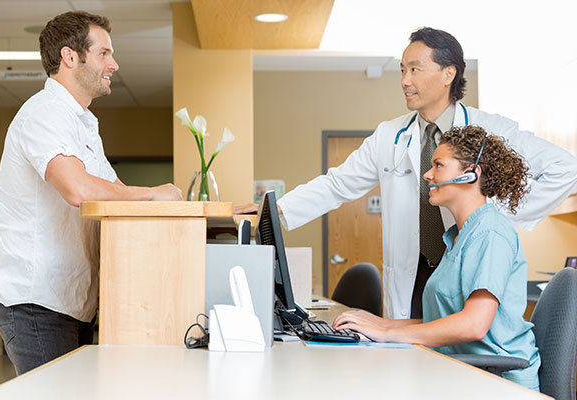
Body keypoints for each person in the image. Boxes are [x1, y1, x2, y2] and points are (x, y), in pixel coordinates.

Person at [236, 27, 577, 320]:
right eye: (402, 70)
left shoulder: (489, 130)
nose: (404, 81)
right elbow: (338, 183)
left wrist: (495, 217)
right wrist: (275, 210)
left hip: (470, 272)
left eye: (415, 69)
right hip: (414, 278)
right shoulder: (390, 136)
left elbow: (566, 168)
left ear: (449, 73)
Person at [0, 11, 183, 375]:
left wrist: (176, 201)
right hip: (37, 304)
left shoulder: (83, 125)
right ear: (70, 57)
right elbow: (77, 188)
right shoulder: (43, 114)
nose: (114, 64)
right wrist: (154, 194)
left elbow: (116, 191)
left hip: (72, 302)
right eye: (104, 53)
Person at [334, 125, 540, 391]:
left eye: (438, 165)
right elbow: (444, 320)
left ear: (470, 175)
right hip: (464, 371)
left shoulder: (490, 232)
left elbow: (474, 325)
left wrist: (387, 334)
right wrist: (377, 323)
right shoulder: (457, 236)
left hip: (498, 382)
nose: (428, 175)